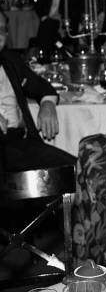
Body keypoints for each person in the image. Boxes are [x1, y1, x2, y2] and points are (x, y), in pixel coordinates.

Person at [0, 10, 75, 174]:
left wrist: (47, 103)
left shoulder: (10, 60)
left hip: (20, 144)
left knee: (75, 172)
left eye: (1, 29)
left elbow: (41, 86)